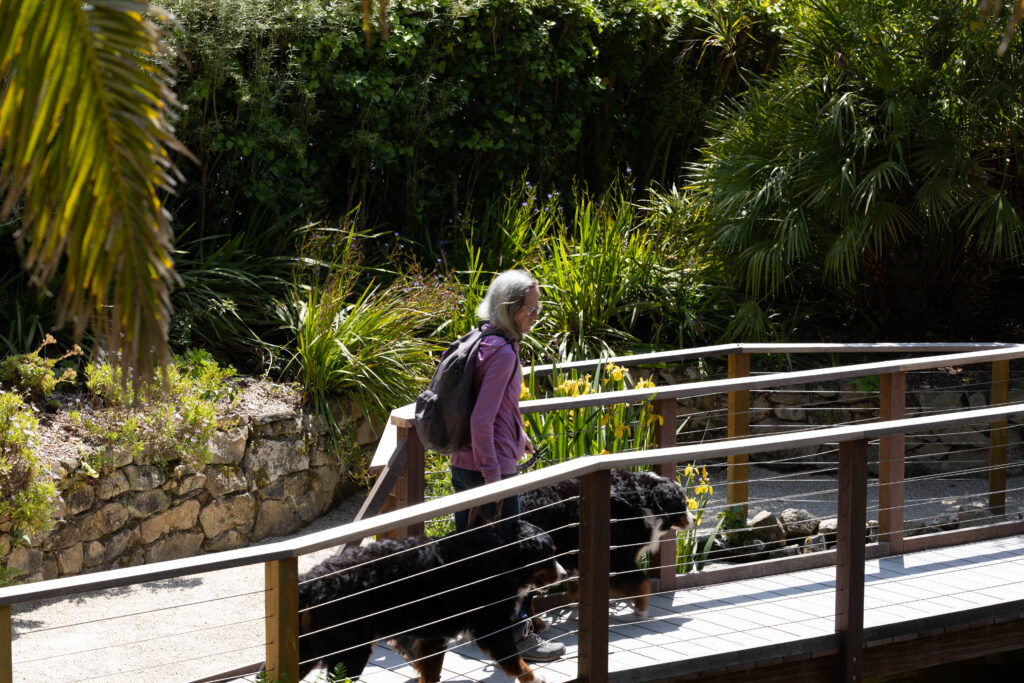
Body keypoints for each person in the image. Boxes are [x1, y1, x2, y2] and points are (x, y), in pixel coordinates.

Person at [449, 269, 566, 663]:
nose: (536, 315)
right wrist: (494, 481)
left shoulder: (482, 339)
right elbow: (482, 419)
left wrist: (518, 437)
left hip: (466, 463)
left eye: (538, 308)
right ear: (510, 309)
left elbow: (495, 410)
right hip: (489, 469)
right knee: (509, 561)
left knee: (473, 555)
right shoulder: (502, 353)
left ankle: (476, 632)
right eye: (530, 309)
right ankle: (515, 641)